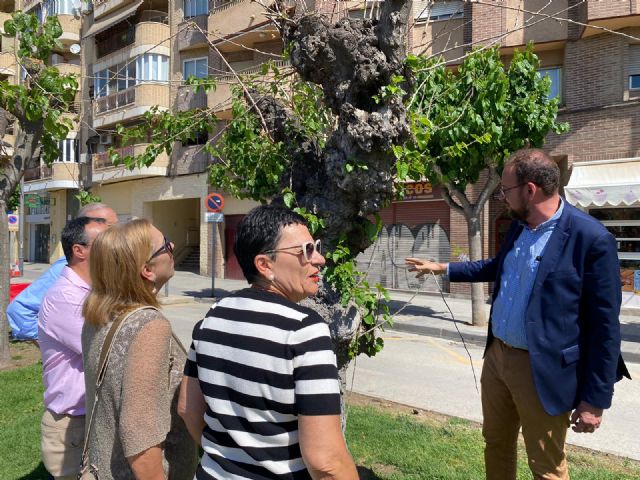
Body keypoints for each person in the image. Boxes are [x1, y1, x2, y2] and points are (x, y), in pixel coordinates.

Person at [406, 148, 631, 480]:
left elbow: (605, 328)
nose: (502, 196)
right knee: (496, 444)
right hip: (498, 357)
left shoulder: (591, 239)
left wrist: (594, 401)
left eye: (506, 190)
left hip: (543, 368)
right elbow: (499, 267)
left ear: (530, 190)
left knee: (546, 467)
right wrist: (444, 267)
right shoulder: (519, 227)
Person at [178, 204, 358, 480]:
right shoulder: (305, 330)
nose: (319, 259)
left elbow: (187, 409)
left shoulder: (212, 317)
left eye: (317, 247)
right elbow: (327, 462)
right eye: (306, 251)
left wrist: (226, 460)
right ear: (264, 265)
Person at [81, 219, 197, 480]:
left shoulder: (99, 313)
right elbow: (140, 433)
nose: (173, 246)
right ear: (147, 270)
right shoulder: (149, 325)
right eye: (166, 244)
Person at [38, 216, 110, 480]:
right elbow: (107, 350)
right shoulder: (66, 298)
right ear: (79, 251)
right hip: (74, 426)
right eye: (104, 242)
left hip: (90, 420)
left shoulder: (92, 292)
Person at [7, 203, 118, 341]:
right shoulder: (65, 267)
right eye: (110, 229)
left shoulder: (107, 266)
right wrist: (50, 340)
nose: (117, 235)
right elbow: (20, 309)